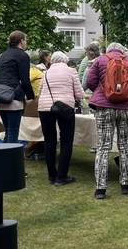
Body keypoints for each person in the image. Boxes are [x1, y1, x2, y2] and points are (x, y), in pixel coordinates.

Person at [86, 43, 128, 199]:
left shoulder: (99, 60)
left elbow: (90, 82)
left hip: (104, 108)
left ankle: (101, 188)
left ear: (108, 50)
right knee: (125, 145)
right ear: (122, 52)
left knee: (103, 147)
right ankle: (125, 184)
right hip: (127, 108)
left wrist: (103, 90)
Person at [38, 51, 84, 186]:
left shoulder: (46, 73)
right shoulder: (71, 71)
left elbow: (40, 90)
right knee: (66, 140)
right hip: (65, 108)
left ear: (52, 60)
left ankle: (52, 175)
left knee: (49, 141)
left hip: (45, 107)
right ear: (65, 60)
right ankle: (62, 176)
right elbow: (79, 94)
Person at [0, 31, 34, 144]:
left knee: (7, 131)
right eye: (25, 40)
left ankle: (4, 153)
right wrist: (31, 96)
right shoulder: (22, 55)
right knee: (13, 131)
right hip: (13, 96)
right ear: (21, 41)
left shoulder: (2, 55)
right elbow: (25, 80)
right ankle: (10, 154)